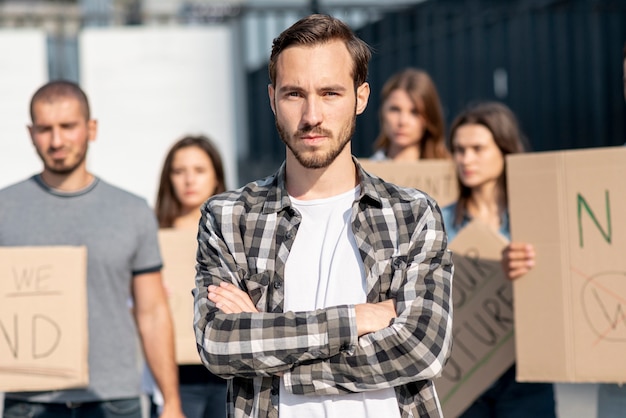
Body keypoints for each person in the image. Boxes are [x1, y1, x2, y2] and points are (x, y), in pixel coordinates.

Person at [192, 13, 453, 418]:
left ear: (360, 97)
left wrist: (270, 344)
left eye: (330, 93)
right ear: (272, 97)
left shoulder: (412, 214)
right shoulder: (229, 218)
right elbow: (219, 344)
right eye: (294, 94)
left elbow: (421, 349)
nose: (312, 115)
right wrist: (356, 319)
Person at [0, 80, 184, 418]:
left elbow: (153, 312)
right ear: (30, 134)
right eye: (45, 129)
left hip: (114, 399)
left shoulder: (131, 211)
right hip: (28, 399)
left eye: (67, 127)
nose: (56, 141)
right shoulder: (3, 209)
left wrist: (171, 402)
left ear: (91, 128)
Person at [441, 101, 555, 417]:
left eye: (478, 148)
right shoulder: (438, 219)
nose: (466, 159)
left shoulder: (537, 217)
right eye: (460, 150)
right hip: (464, 377)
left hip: (527, 374)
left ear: (505, 151)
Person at [151, 135, 228, 418]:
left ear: (216, 177)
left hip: (226, 371)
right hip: (174, 374)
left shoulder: (235, 233)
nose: (189, 180)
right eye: (179, 171)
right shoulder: (151, 235)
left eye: (199, 170)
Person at [371, 68, 450, 161]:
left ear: (429, 117)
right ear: (382, 113)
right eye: (395, 109)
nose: (403, 121)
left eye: (414, 112)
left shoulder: (451, 171)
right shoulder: (362, 172)